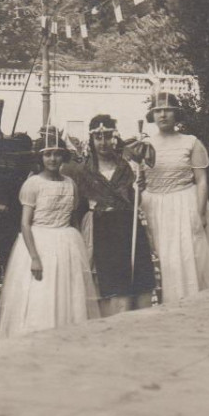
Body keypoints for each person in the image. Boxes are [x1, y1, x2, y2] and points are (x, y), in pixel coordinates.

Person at [0, 130, 100, 341]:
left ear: (63, 156)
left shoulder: (70, 183)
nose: (53, 159)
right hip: (39, 242)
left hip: (66, 243)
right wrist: (34, 257)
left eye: (57, 154)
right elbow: (25, 223)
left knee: (67, 294)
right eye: (47, 154)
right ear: (40, 158)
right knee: (40, 296)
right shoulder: (33, 184)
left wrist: (77, 251)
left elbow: (73, 219)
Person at [140, 92, 209, 303]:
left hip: (184, 203)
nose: (163, 115)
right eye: (157, 111)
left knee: (188, 254)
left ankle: (191, 301)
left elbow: (201, 180)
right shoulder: (144, 145)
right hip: (154, 206)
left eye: (168, 110)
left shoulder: (191, 142)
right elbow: (139, 181)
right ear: (152, 115)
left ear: (177, 113)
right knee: (162, 257)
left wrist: (200, 213)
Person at [64, 115, 155, 316]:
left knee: (139, 284)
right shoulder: (83, 171)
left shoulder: (128, 167)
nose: (103, 143)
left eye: (107, 136)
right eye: (98, 138)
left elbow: (134, 201)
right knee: (114, 287)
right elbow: (77, 207)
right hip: (102, 229)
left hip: (128, 226)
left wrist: (139, 189)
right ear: (92, 140)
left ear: (115, 138)